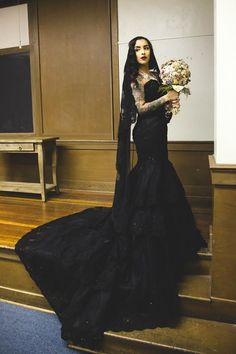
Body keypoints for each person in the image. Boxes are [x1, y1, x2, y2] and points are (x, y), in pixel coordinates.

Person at [15, 36, 207, 350]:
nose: (143, 52)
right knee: (148, 179)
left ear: (151, 52)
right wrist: (165, 96)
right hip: (145, 136)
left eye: (146, 48)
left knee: (163, 180)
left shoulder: (159, 76)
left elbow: (162, 112)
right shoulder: (134, 80)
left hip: (160, 134)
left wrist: (173, 103)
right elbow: (142, 108)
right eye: (138, 49)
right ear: (133, 54)